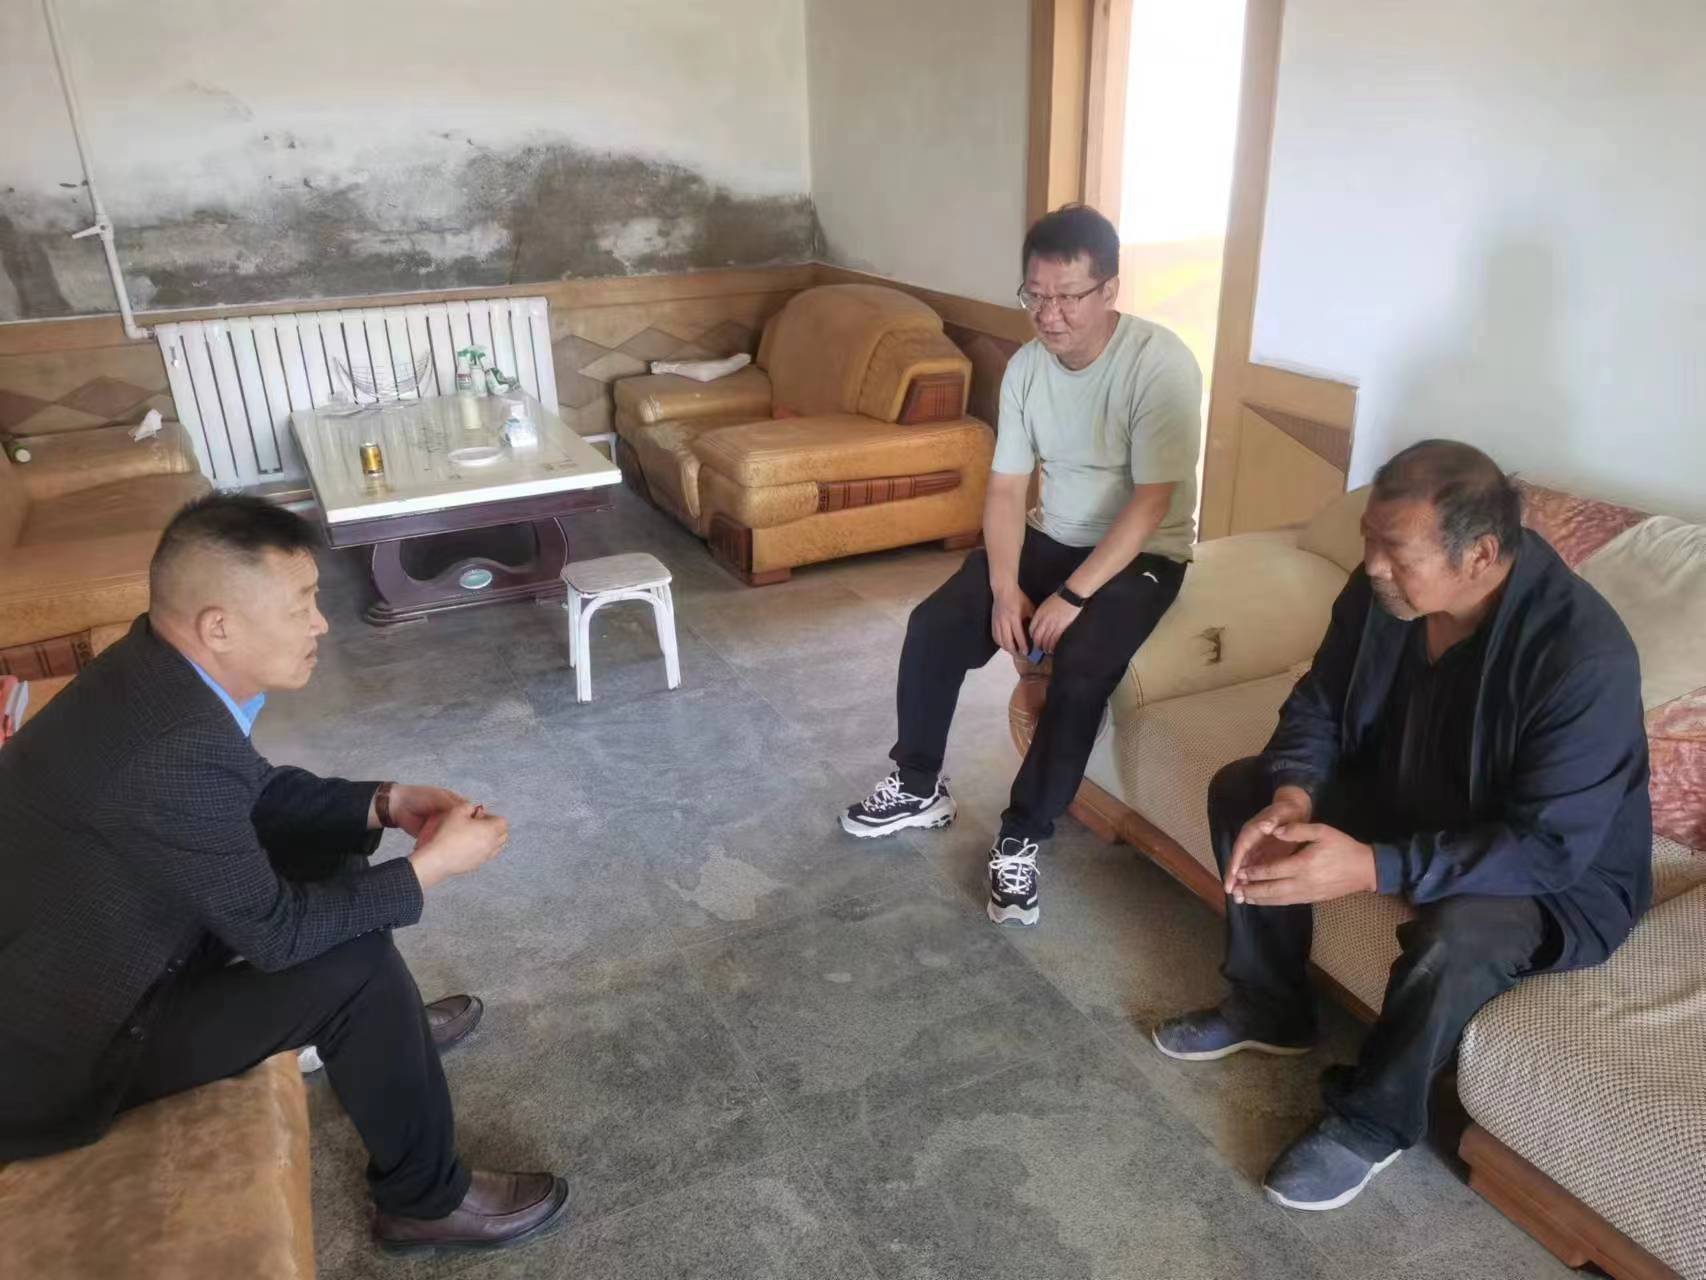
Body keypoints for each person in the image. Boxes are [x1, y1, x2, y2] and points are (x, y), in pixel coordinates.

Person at [0, 495, 569, 1254]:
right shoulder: (171, 746)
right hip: (66, 1056)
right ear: (219, 627)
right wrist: (429, 867)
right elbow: (277, 935)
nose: (321, 624)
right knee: (356, 966)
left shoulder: (150, 669)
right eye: (301, 605)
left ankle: (381, 1032)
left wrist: (384, 802)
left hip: (103, 948)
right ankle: (424, 1201)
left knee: (325, 846)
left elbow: (249, 794)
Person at [1152, 440, 1651, 1211]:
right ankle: (1269, 1006)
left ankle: (1370, 1123)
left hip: (1549, 871)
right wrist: (1294, 795)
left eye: (1396, 551)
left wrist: (1372, 865)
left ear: (1480, 555)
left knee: (1458, 934)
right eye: (1369, 540)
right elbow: (1321, 701)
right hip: (1416, 792)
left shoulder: (1582, 657)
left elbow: (1548, 847)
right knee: (1244, 793)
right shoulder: (1382, 595)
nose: (1373, 565)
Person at [840, 203, 1203, 926]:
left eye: (1068, 296)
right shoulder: (1028, 368)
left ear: (1110, 290)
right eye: (1034, 295)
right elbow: (1007, 488)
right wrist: (1005, 588)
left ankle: (1022, 834)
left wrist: (1073, 595)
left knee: (1084, 660)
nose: (1048, 314)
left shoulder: (1159, 363)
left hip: (1143, 552)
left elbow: (1151, 504)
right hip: (1053, 533)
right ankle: (918, 784)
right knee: (936, 624)